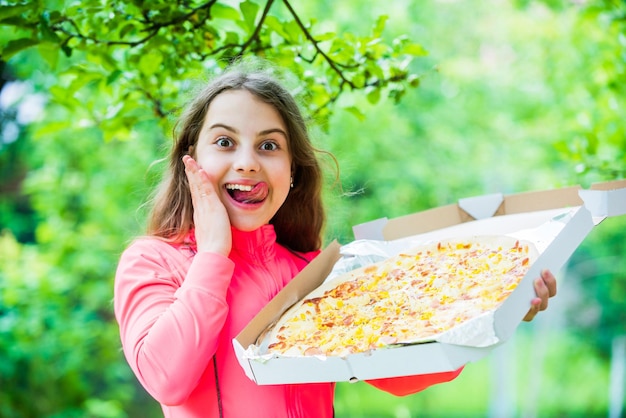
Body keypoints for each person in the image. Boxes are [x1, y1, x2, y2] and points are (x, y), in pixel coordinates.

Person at [113, 60, 557, 418]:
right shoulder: (154, 261)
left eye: (269, 146)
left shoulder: (313, 274)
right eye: (225, 142)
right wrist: (213, 254)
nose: (247, 162)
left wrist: (500, 305)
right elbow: (165, 377)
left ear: (291, 174)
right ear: (192, 160)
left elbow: (400, 370)